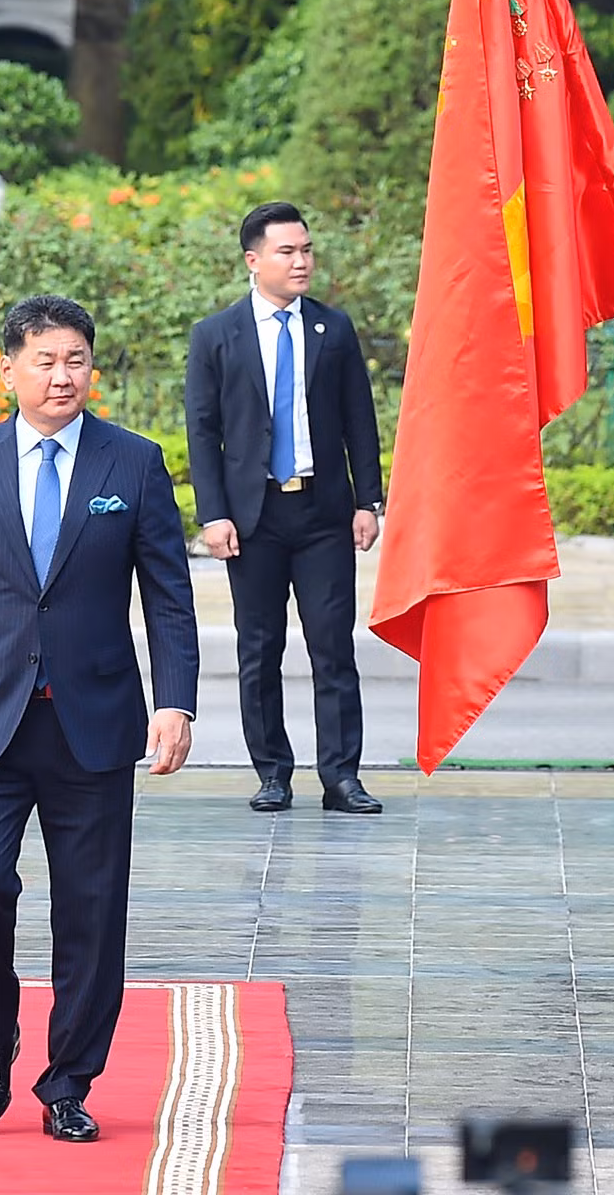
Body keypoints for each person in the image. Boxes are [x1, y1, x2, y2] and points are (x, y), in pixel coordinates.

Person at [0, 294, 198, 1143]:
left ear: (92, 368)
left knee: (92, 913)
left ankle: (69, 1082)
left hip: (95, 723)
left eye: (76, 361)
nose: (62, 377)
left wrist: (176, 700)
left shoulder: (132, 464)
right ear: (9, 370)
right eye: (45, 361)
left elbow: (169, 597)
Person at [184, 201, 387, 815]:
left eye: (306, 250)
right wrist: (213, 514)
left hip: (323, 515)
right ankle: (272, 772)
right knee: (259, 649)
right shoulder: (216, 336)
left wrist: (367, 500)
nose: (301, 262)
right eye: (287, 252)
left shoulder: (334, 328)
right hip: (254, 518)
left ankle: (342, 777)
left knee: (333, 649)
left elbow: (360, 419)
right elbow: (202, 430)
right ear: (254, 261)